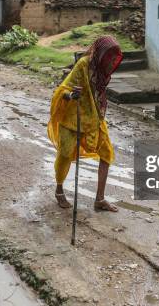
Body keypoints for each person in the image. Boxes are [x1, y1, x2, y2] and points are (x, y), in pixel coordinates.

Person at [47, 36, 123, 212]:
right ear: (101, 54)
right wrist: (71, 95)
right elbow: (63, 90)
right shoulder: (83, 64)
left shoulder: (103, 70)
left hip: (95, 119)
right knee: (65, 154)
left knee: (106, 154)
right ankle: (59, 190)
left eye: (114, 58)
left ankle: (99, 199)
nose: (112, 62)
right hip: (74, 119)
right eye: (109, 57)